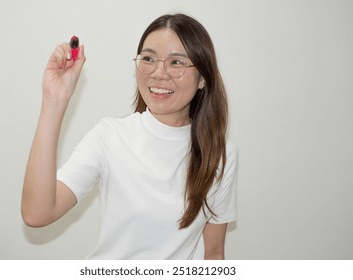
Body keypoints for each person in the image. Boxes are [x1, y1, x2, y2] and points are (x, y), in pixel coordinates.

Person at [22, 13, 238, 260]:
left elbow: (212, 254)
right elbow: (37, 214)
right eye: (148, 58)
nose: (158, 72)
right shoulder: (110, 136)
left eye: (176, 62)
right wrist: (54, 100)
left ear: (202, 78)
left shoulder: (221, 154)